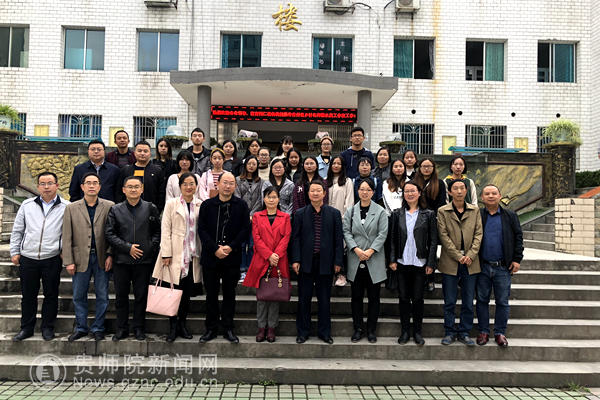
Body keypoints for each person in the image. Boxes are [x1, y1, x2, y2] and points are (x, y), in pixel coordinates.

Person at [10, 172, 70, 342]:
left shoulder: (66, 206)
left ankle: (47, 327)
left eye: (50, 183)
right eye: (42, 184)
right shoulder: (27, 205)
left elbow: (68, 232)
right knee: (28, 295)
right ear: (37, 186)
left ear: (57, 186)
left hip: (51, 257)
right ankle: (26, 328)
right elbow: (18, 229)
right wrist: (15, 251)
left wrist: (63, 250)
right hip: (28, 257)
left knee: (51, 294)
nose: (46, 187)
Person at [197, 172, 251, 344]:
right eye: (225, 182)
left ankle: (228, 328)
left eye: (231, 183)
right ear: (218, 184)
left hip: (232, 257)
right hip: (210, 257)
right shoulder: (207, 205)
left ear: (235, 186)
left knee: (229, 294)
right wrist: (215, 249)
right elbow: (202, 230)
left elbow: (245, 229)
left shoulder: (242, 205)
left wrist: (230, 247)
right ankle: (211, 329)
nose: (228, 186)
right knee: (211, 295)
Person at [106, 176, 161, 341]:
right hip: (121, 261)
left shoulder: (150, 208)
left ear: (142, 189)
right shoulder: (115, 209)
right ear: (124, 190)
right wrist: (127, 248)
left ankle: (139, 329)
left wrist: (149, 247)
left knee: (141, 297)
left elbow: (157, 232)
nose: (133, 189)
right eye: (129, 187)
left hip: (143, 261)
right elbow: (110, 234)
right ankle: (122, 329)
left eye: (137, 186)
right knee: (121, 297)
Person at [152, 172, 203, 343]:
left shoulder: (200, 205)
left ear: (196, 186)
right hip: (174, 255)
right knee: (172, 291)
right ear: (180, 186)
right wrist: (166, 253)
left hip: (192, 255)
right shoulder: (171, 204)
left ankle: (182, 324)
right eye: (185, 184)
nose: (189, 187)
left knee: (186, 293)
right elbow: (165, 230)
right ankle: (172, 326)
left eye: (192, 184)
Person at [62, 172, 114, 342]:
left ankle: (98, 328)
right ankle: (81, 328)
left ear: (100, 186)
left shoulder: (110, 206)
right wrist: (69, 261)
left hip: (101, 258)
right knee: (78, 295)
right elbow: (67, 235)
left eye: (95, 183)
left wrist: (110, 255)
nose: (92, 186)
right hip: (79, 259)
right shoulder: (71, 208)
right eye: (88, 183)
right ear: (82, 186)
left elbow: (114, 233)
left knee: (103, 296)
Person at [292, 181, 344, 345]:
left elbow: (338, 239)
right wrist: (296, 259)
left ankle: (324, 333)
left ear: (324, 194)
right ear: (308, 194)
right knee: (303, 299)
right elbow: (295, 239)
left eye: (318, 190)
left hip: (326, 262)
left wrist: (338, 260)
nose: (315, 193)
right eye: (312, 191)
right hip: (305, 262)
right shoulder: (300, 213)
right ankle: (303, 332)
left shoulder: (334, 213)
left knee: (324, 299)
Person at [388, 180, 438, 346]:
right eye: (406, 191)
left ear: (419, 193)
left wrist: (431, 263)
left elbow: (433, 240)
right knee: (403, 298)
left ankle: (417, 332)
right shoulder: (397, 214)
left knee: (417, 298)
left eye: (413, 191)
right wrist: (392, 259)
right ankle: (404, 332)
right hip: (402, 263)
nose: (409, 194)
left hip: (420, 263)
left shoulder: (428, 214)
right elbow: (392, 239)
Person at [476, 184, 523, 347]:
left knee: (502, 301)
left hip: (503, 267)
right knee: (481, 300)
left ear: (500, 196)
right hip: (482, 266)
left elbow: (518, 238)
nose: (491, 196)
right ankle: (483, 332)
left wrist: (517, 259)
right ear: (482, 197)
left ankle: (500, 332)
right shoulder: (478, 215)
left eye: (494, 193)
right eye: (487, 193)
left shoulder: (510, 215)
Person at [242, 186, 292, 343]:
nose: (271, 200)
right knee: (262, 294)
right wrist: (269, 255)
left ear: (279, 200)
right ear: (264, 199)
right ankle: (261, 326)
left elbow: (286, 237)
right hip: (262, 259)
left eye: (274, 197)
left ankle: (271, 327)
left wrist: (276, 255)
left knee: (275, 293)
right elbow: (256, 238)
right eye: (269, 197)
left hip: (279, 259)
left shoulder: (285, 217)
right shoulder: (257, 216)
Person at [437, 179, 483, 347]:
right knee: (449, 301)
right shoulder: (443, 211)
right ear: (449, 192)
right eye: (455, 188)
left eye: (462, 188)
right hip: (450, 261)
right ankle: (449, 332)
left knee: (468, 301)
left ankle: (464, 332)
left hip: (471, 262)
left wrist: (470, 255)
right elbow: (443, 236)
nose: (458, 191)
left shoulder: (475, 210)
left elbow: (479, 234)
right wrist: (458, 256)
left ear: (466, 191)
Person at [343, 179, 388, 344]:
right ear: (357, 191)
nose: (365, 192)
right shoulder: (350, 211)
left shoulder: (380, 211)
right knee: (356, 296)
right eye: (362, 189)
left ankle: (371, 330)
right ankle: (358, 329)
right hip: (356, 258)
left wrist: (370, 250)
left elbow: (382, 233)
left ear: (373, 192)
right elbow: (346, 231)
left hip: (373, 258)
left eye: (368, 189)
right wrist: (356, 249)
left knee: (374, 297)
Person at [414, 157, 447, 292]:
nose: (426, 169)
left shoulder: (439, 183)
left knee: (431, 249)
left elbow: (441, 202)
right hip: (416, 218)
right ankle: (420, 278)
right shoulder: (414, 181)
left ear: (433, 168)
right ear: (419, 168)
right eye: (424, 166)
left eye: (429, 166)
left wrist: (431, 215)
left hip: (432, 219)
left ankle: (430, 279)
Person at [115, 140, 166, 213]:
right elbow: (118, 191)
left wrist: (157, 210)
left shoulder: (157, 171)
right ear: (134, 153)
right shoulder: (126, 170)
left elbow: (161, 193)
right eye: (139, 151)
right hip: (127, 211)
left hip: (150, 211)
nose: (142, 153)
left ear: (150, 154)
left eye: (145, 151)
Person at [326, 156, 354, 286]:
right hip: (326, 220)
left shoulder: (347, 181)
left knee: (341, 246)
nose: (336, 166)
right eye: (334, 163)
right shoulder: (325, 181)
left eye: (339, 163)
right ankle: (330, 273)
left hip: (341, 219)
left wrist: (343, 218)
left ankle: (342, 274)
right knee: (328, 246)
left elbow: (349, 201)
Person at [235, 156, 264, 281]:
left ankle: (251, 269)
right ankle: (242, 270)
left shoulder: (261, 181)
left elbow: (260, 200)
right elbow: (237, 198)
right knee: (242, 245)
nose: (251, 166)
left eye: (254, 164)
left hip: (256, 218)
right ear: (245, 165)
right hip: (241, 217)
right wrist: (247, 215)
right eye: (249, 163)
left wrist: (252, 214)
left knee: (253, 245)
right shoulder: (238, 180)